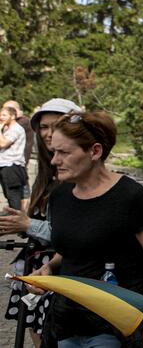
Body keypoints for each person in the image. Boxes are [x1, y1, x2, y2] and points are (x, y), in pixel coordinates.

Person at [33, 111, 143, 348]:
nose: (54, 161)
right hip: (67, 323)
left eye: (64, 152)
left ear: (95, 151)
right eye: (53, 151)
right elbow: (73, 248)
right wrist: (48, 267)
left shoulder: (132, 198)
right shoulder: (60, 196)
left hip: (117, 328)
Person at [0, 98, 80, 347]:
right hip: (38, 268)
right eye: (43, 127)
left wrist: (27, 226)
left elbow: (78, 232)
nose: (48, 133)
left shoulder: (76, 173)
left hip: (65, 270)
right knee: (37, 330)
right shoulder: (47, 171)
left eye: (56, 125)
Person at [0, 105, 27, 211]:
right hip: (4, 165)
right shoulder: (6, 129)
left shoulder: (16, 129)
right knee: (8, 195)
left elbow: (3, 144)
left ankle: (17, 223)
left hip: (12, 166)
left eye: (4, 115)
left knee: (13, 196)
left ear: (12, 116)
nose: (1, 117)